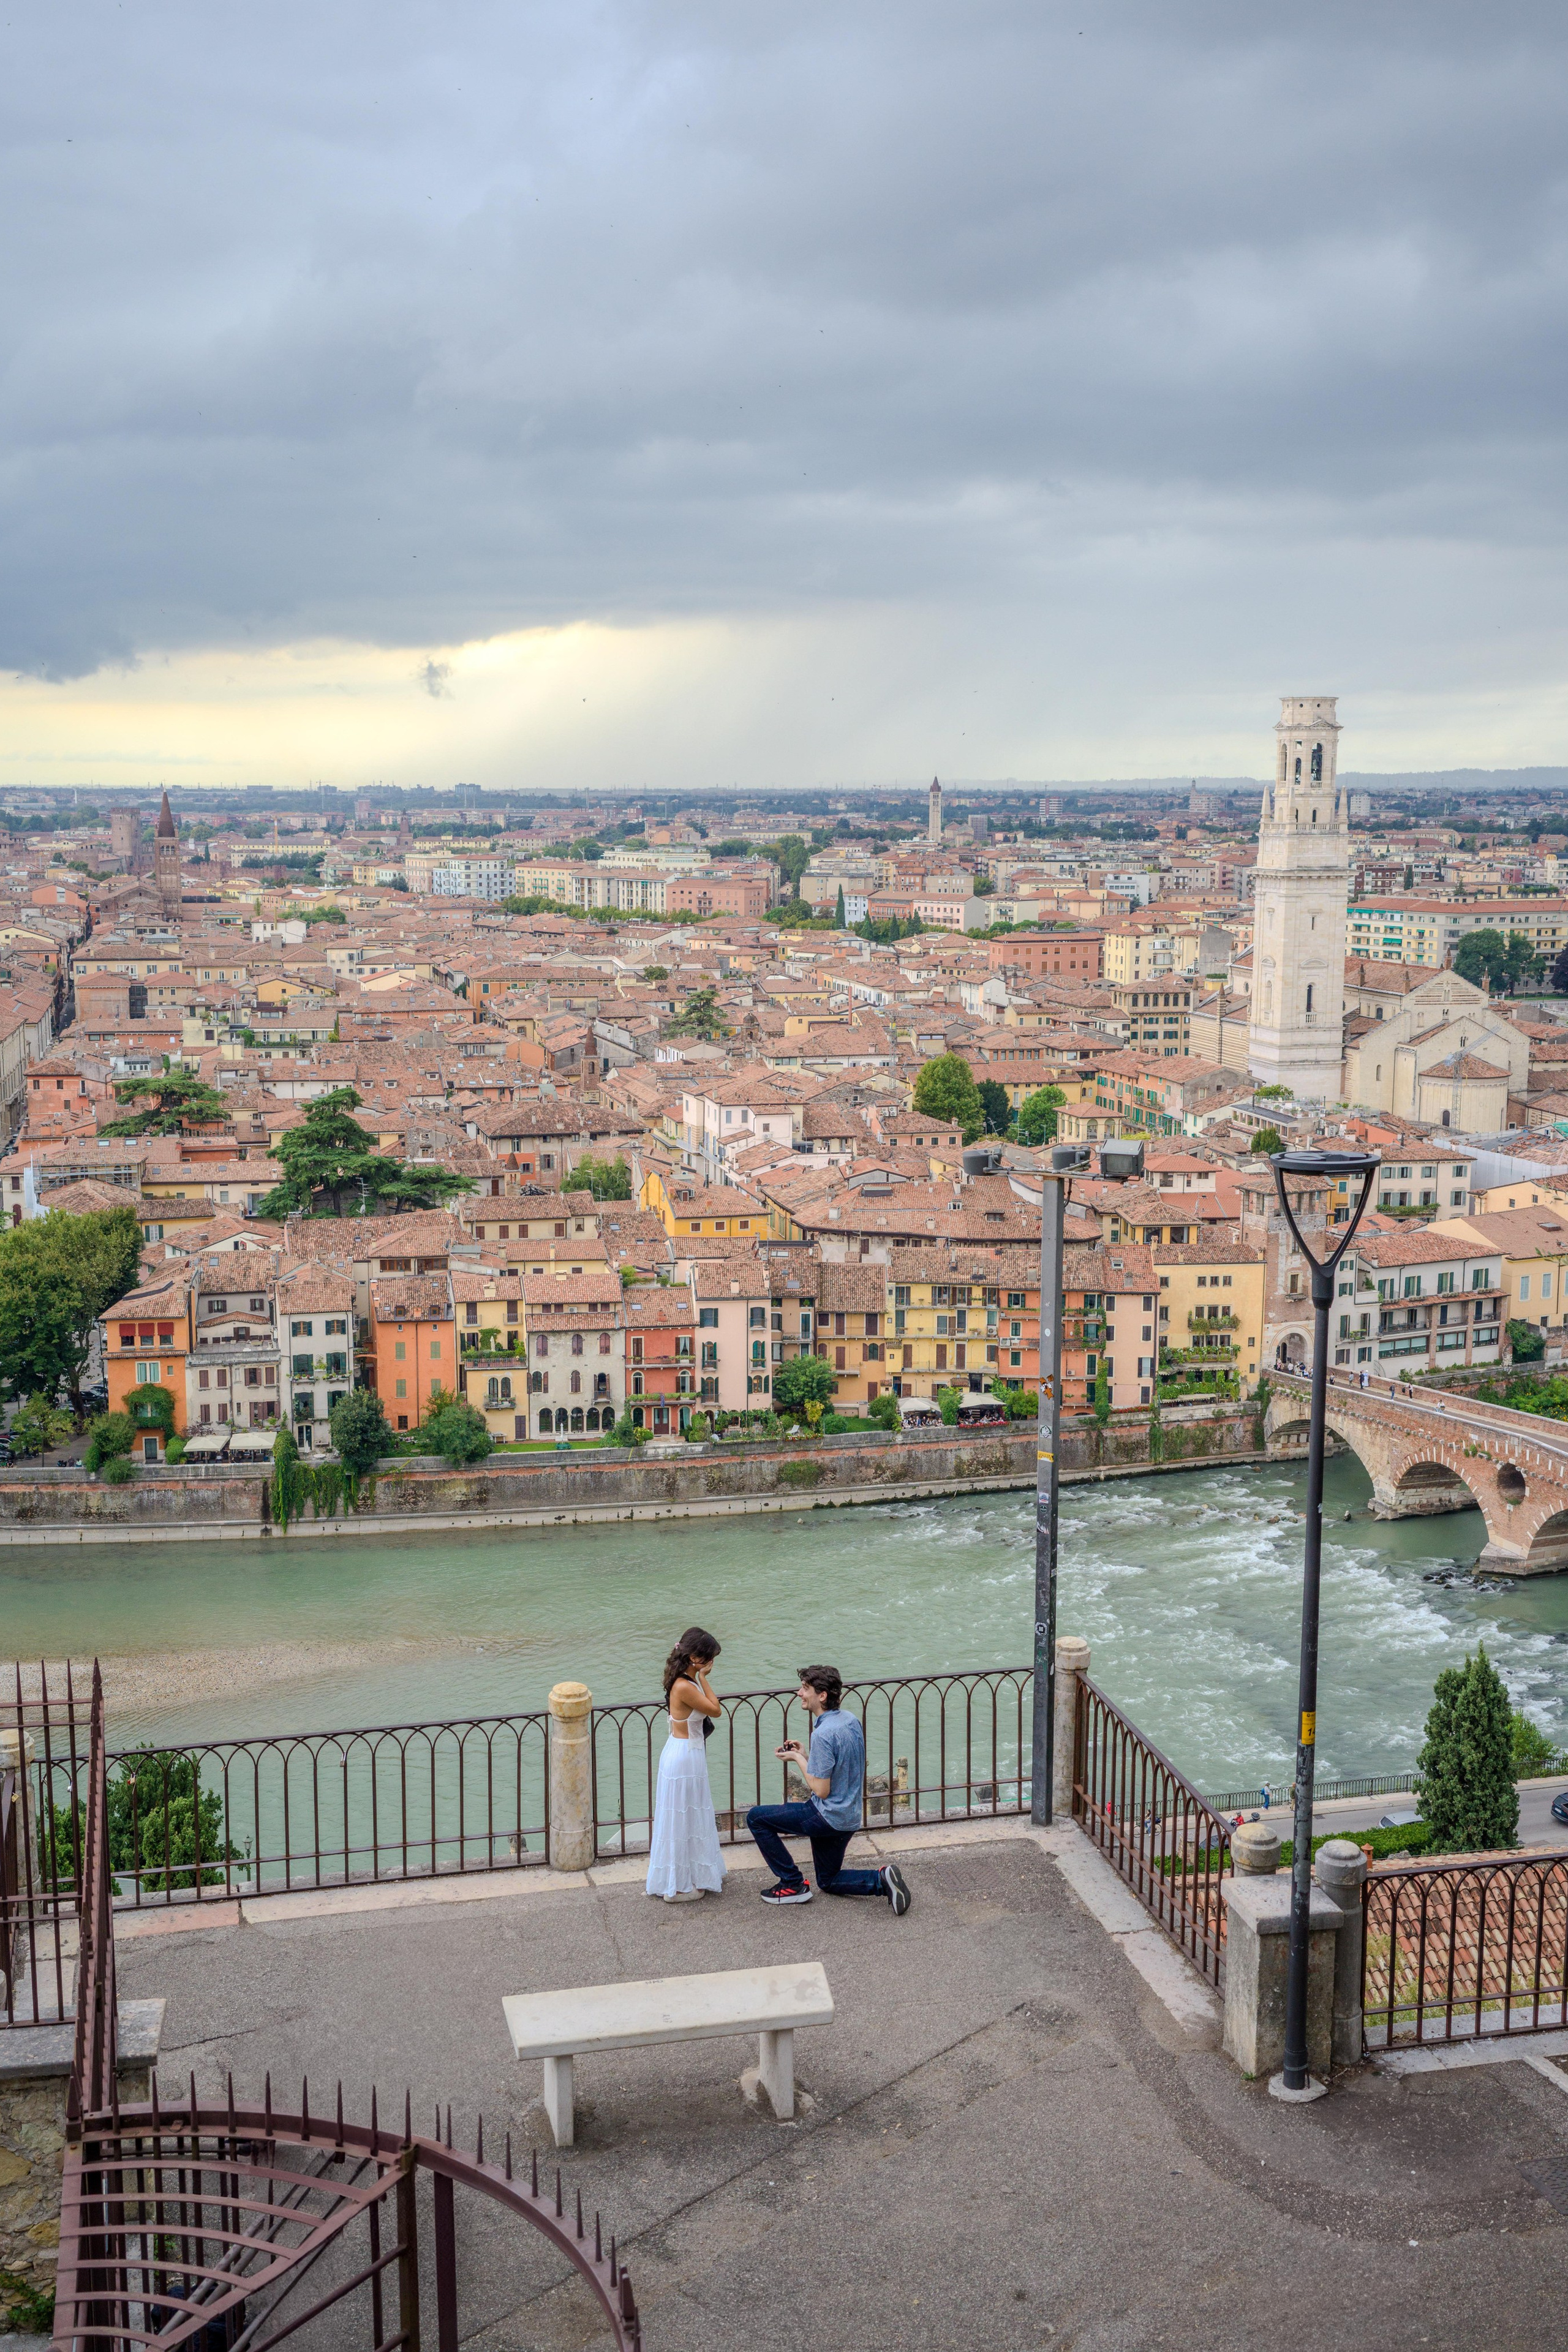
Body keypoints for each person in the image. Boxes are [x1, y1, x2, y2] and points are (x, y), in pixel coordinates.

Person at [745, 1665, 911, 1914]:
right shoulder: (850, 1720)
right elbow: (838, 1767)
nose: (799, 1693)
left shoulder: (823, 1734)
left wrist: (797, 1758)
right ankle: (882, 1879)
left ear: (821, 1696)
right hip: (849, 1816)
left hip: (826, 1816)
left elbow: (821, 1790)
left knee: (756, 1819)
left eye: (805, 1688)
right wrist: (806, 1755)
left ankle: (791, 1884)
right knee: (828, 1880)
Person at [645, 1626, 727, 1903]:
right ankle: (677, 1888)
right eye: (709, 1658)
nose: (712, 1663)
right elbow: (715, 1710)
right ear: (694, 1658)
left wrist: (699, 1677)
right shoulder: (685, 1685)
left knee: (687, 1815)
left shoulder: (682, 1680)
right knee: (682, 1818)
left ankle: (690, 1875)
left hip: (685, 1752)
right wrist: (704, 1678)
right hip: (684, 1756)